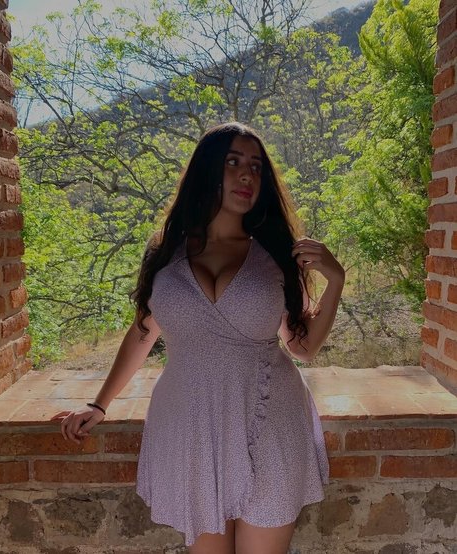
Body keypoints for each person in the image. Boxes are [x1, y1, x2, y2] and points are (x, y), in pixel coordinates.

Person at [52, 121, 345, 554]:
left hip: (268, 419)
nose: (247, 175)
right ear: (207, 169)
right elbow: (142, 332)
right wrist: (99, 404)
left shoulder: (275, 252)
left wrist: (336, 281)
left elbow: (303, 347)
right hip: (192, 426)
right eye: (233, 162)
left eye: (256, 167)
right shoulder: (165, 251)